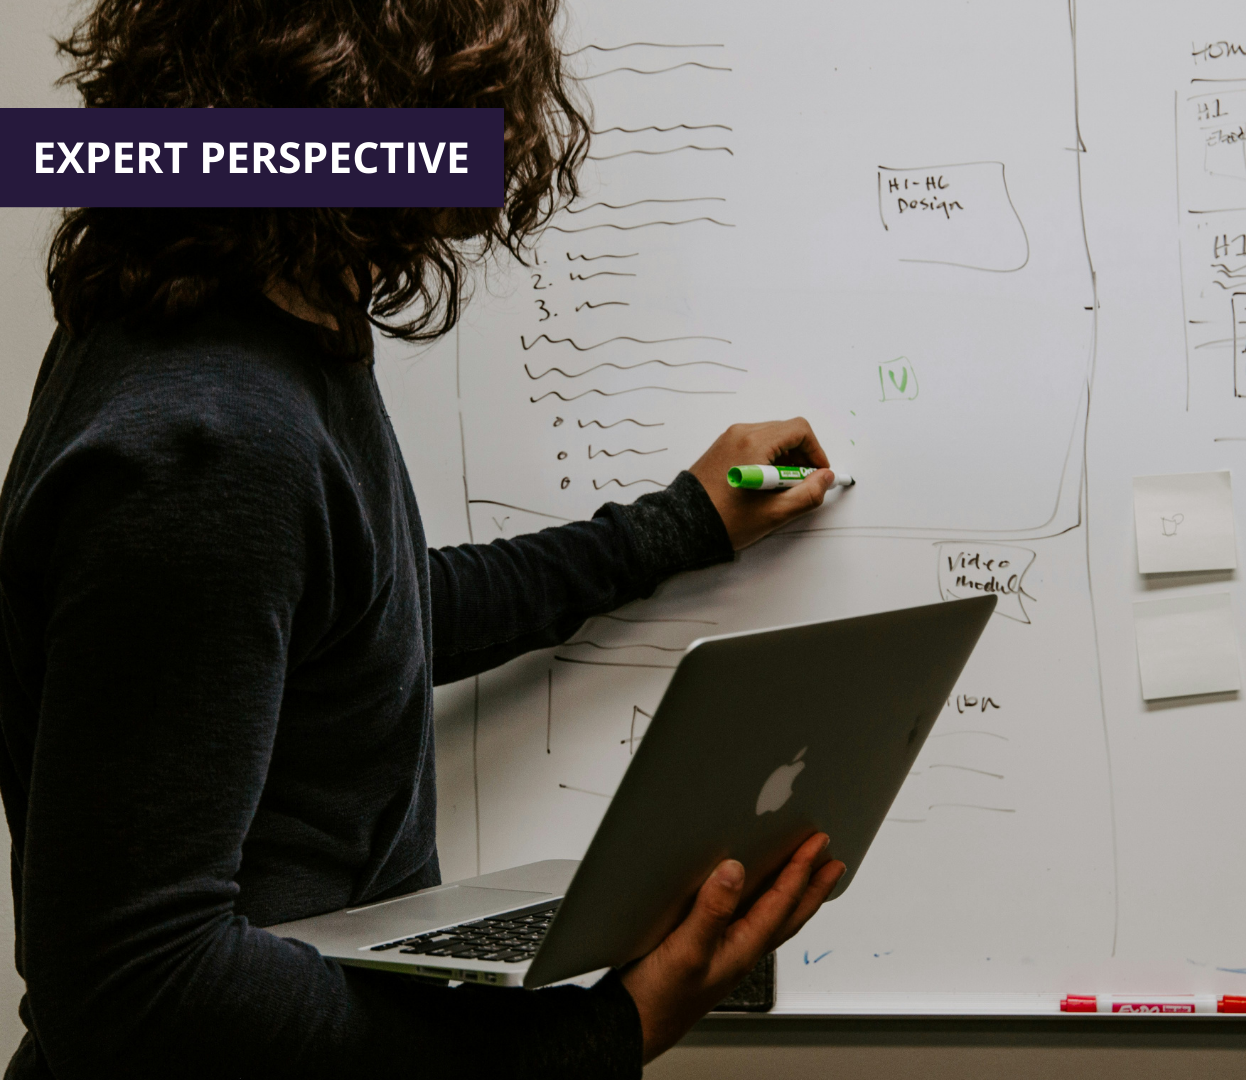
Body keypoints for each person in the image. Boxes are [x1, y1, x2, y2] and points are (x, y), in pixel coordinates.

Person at [0, 0, 847, 1075]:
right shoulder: (205, 441)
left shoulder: (253, 334)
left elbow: (358, 623)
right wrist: (600, 1034)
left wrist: (678, 525)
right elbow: (136, 985)